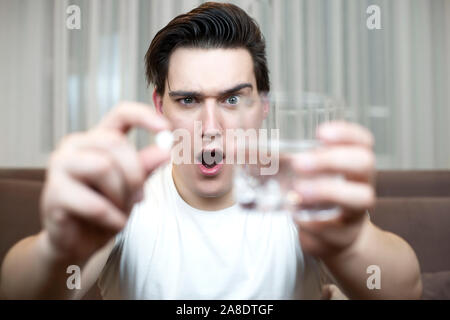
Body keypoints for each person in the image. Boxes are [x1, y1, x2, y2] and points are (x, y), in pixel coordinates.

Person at [0, 2, 422, 300]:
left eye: (233, 99)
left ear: (263, 108)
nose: (211, 127)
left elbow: (403, 292)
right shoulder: (124, 195)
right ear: (158, 108)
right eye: (188, 100)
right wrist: (58, 251)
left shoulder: (302, 194)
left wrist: (349, 245)